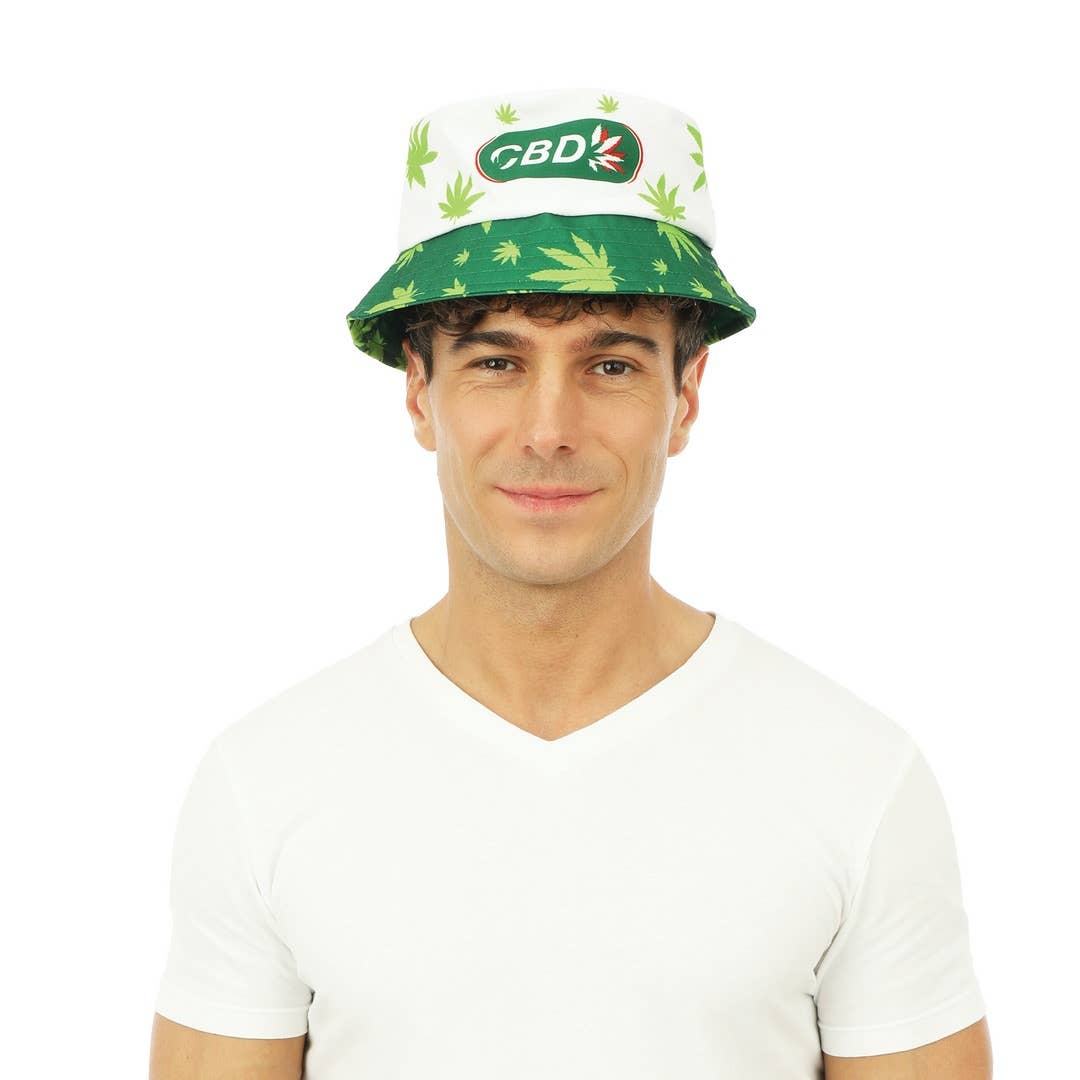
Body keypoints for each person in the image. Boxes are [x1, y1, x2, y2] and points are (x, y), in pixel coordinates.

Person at [149, 87, 992, 1079]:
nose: (549, 429)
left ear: (686, 396)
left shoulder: (855, 779)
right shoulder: (265, 783)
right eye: (497, 361)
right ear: (419, 391)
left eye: (612, 366)